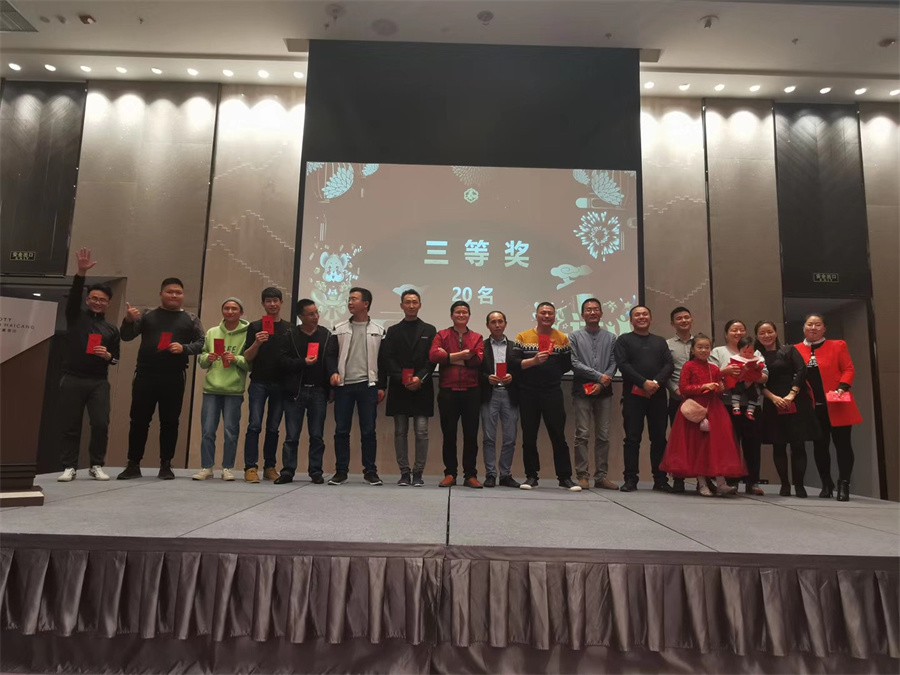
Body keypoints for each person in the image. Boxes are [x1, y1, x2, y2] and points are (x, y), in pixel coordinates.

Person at [117, 277, 204, 480]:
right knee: (138, 421)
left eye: (178, 292)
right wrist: (128, 320)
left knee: (170, 422)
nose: (174, 295)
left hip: (174, 377)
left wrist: (184, 348)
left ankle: (166, 465)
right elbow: (126, 336)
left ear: (183, 296)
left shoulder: (191, 318)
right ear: (161, 294)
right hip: (145, 375)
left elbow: (202, 343)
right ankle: (133, 464)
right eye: (170, 292)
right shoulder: (147, 315)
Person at [56, 248, 120, 482]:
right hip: (72, 378)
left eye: (102, 300)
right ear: (87, 300)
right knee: (70, 424)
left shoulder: (111, 329)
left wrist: (108, 356)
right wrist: (81, 273)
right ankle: (69, 466)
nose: (98, 302)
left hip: (98, 382)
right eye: (94, 298)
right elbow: (74, 295)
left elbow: (116, 359)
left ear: (108, 304)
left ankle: (96, 464)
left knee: (101, 423)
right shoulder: (75, 316)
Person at [509, 302, 582, 491]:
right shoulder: (523, 337)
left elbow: (567, 364)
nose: (547, 316)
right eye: (543, 313)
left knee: (558, 435)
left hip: (552, 392)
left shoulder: (562, 338)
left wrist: (550, 372)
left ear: (555, 316)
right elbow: (514, 363)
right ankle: (531, 476)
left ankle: (565, 477)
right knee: (529, 436)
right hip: (528, 392)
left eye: (550, 313)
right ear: (537, 315)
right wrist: (534, 361)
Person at [660, 334, 745, 496]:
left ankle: (721, 483)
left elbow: (720, 390)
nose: (704, 350)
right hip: (695, 409)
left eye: (707, 347)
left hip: (714, 409)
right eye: (700, 347)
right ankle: (702, 483)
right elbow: (684, 389)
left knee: (717, 446)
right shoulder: (689, 366)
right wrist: (703, 387)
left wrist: (720, 387)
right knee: (697, 445)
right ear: (693, 350)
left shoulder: (714, 368)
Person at [794, 314, 863, 502]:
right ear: (804, 328)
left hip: (837, 403)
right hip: (813, 407)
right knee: (820, 446)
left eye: (818, 324)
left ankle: (844, 483)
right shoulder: (796, 350)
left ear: (824, 328)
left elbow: (848, 369)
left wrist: (842, 387)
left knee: (843, 445)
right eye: (810, 324)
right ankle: (826, 483)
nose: (813, 328)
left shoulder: (838, 345)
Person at [324, 287, 386, 486]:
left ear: (365, 304)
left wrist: (381, 386)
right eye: (349, 299)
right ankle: (341, 471)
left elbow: (383, 361)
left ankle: (370, 472)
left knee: (368, 431)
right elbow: (330, 355)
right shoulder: (339, 328)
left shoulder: (379, 330)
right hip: (344, 386)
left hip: (368, 385)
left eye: (354, 299)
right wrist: (333, 372)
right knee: (341, 430)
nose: (350, 302)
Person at [755, 321, 819, 498]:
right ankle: (784, 484)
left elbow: (801, 370)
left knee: (798, 444)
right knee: (779, 445)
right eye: (762, 333)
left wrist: (792, 394)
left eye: (769, 331)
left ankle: (799, 485)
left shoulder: (789, 350)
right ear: (757, 336)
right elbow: (757, 382)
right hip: (772, 402)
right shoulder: (756, 356)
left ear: (776, 333)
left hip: (796, 400)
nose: (766, 335)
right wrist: (773, 398)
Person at [613, 306, 674, 492]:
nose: (641, 317)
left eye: (645, 314)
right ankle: (631, 479)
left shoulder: (660, 341)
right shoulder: (624, 340)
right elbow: (623, 365)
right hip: (633, 396)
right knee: (632, 439)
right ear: (631, 320)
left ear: (651, 318)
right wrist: (643, 383)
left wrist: (655, 382)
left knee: (659, 438)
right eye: (637, 315)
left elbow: (668, 365)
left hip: (658, 396)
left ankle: (660, 479)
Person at [381, 289, 437, 487]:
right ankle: (404, 472)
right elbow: (387, 358)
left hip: (422, 387)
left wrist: (419, 378)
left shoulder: (430, 330)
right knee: (400, 432)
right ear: (401, 305)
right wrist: (402, 378)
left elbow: (432, 360)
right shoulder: (393, 330)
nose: (411, 305)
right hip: (399, 387)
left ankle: (418, 472)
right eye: (407, 302)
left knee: (421, 432)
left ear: (420, 305)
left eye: (415, 302)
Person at [193, 298, 250, 481]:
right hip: (211, 389)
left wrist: (236, 359)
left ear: (241, 312)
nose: (230, 311)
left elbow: (250, 363)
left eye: (234, 309)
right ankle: (207, 467)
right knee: (208, 430)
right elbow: (202, 360)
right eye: (226, 308)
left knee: (231, 432)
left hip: (233, 389)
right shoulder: (212, 332)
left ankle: (227, 468)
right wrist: (207, 358)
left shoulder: (248, 333)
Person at [430, 300, 485, 488]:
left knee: (471, 435)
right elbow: (434, 356)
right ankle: (450, 473)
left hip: (471, 391)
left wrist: (448, 357)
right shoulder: (442, 335)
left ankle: (470, 475)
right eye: (458, 312)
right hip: (448, 391)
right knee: (449, 435)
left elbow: (478, 360)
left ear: (469, 315)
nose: (461, 315)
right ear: (451, 315)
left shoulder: (477, 337)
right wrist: (462, 356)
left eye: (464, 312)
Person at [709, 320, 765, 495]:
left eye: (741, 329)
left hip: (751, 404)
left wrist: (750, 373)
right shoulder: (718, 351)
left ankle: (753, 482)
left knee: (753, 444)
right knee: (730, 444)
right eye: (734, 330)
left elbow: (765, 377)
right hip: (727, 404)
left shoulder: (755, 352)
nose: (738, 333)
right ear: (726, 334)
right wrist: (727, 372)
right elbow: (712, 374)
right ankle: (731, 481)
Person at [279, 299, 331, 484]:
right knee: (292, 436)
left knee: (317, 435)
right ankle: (287, 471)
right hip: (295, 391)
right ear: (301, 316)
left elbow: (330, 361)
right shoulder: (290, 335)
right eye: (311, 314)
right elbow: (282, 362)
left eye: (317, 313)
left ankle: (316, 471)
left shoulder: (325, 334)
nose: (316, 317)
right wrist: (303, 362)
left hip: (318, 391)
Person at [242, 287, 291, 483]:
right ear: (263, 304)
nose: (272, 304)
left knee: (273, 427)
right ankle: (250, 467)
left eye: (275, 300)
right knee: (254, 425)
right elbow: (247, 357)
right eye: (268, 301)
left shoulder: (289, 328)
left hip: (281, 384)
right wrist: (257, 343)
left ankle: (270, 466)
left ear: (281, 303)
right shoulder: (255, 326)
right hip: (259, 382)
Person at [569, 298, 618, 490]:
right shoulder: (574, 336)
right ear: (582, 315)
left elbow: (614, 362)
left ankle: (601, 477)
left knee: (603, 435)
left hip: (604, 392)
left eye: (596, 309)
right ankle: (582, 476)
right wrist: (599, 377)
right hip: (582, 391)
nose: (592, 312)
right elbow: (574, 363)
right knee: (582, 434)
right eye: (588, 310)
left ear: (601, 313)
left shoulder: (611, 337)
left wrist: (602, 382)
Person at [480, 311, 521, 488]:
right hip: (490, 394)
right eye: (493, 322)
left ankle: (505, 475)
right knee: (489, 437)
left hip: (509, 394)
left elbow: (522, 369)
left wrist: (514, 376)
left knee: (510, 438)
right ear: (487, 325)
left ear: (505, 324)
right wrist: (486, 378)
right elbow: (474, 371)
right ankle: (490, 474)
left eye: (500, 321)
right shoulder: (481, 346)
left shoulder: (515, 347)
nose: (497, 325)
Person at [665, 306, 694, 493]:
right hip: (677, 399)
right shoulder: (666, 345)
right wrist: (676, 390)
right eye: (679, 318)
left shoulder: (701, 342)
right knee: (678, 440)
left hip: (700, 400)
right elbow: (665, 372)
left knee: (700, 439)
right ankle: (678, 478)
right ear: (672, 323)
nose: (683, 321)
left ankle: (703, 478)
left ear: (691, 319)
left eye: (686, 317)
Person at [729, 336, 767, 420]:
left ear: (754, 351)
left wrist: (757, 366)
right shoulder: (736, 358)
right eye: (744, 351)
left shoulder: (757, 359)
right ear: (739, 350)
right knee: (736, 390)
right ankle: (736, 407)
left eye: (750, 352)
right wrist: (742, 367)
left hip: (752, 381)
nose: (747, 354)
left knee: (754, 395)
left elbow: (762, 367)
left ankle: (750, 411)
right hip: (741, 380)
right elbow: (732, 367)